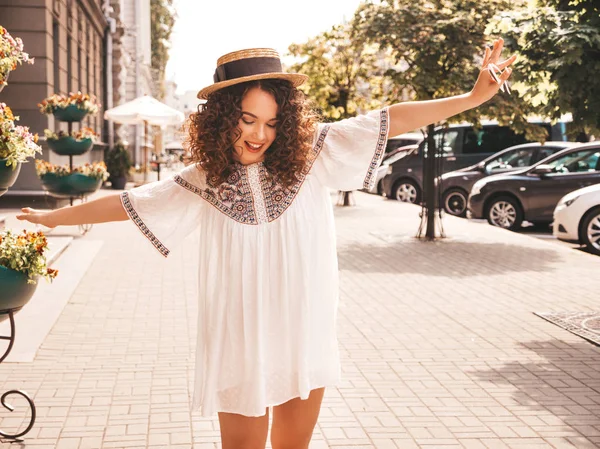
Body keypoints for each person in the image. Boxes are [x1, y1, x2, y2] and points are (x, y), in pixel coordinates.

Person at [17, 40, 515, 449]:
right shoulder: (205, 179)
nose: (261, 134)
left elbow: (390, 116)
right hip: (239, 340)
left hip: (303, 331)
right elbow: (129, 203)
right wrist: (52, 217)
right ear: (222, 118)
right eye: (249, 119)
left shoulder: (314, 152)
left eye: (273, 122)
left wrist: (470, 99)